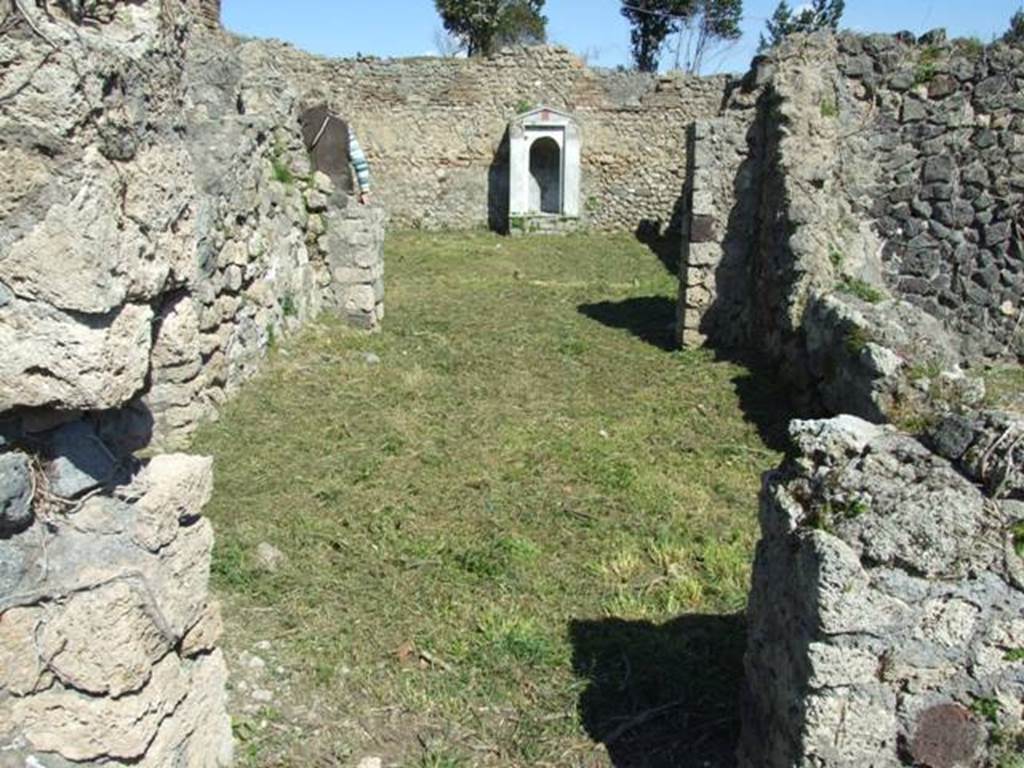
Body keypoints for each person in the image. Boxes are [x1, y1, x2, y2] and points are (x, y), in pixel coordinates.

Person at [299, 103, 372, 205]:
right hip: (342, 188)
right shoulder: (342, 126)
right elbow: (359, 160)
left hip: (315, 189)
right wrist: (365, 190)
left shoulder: (302, 127)